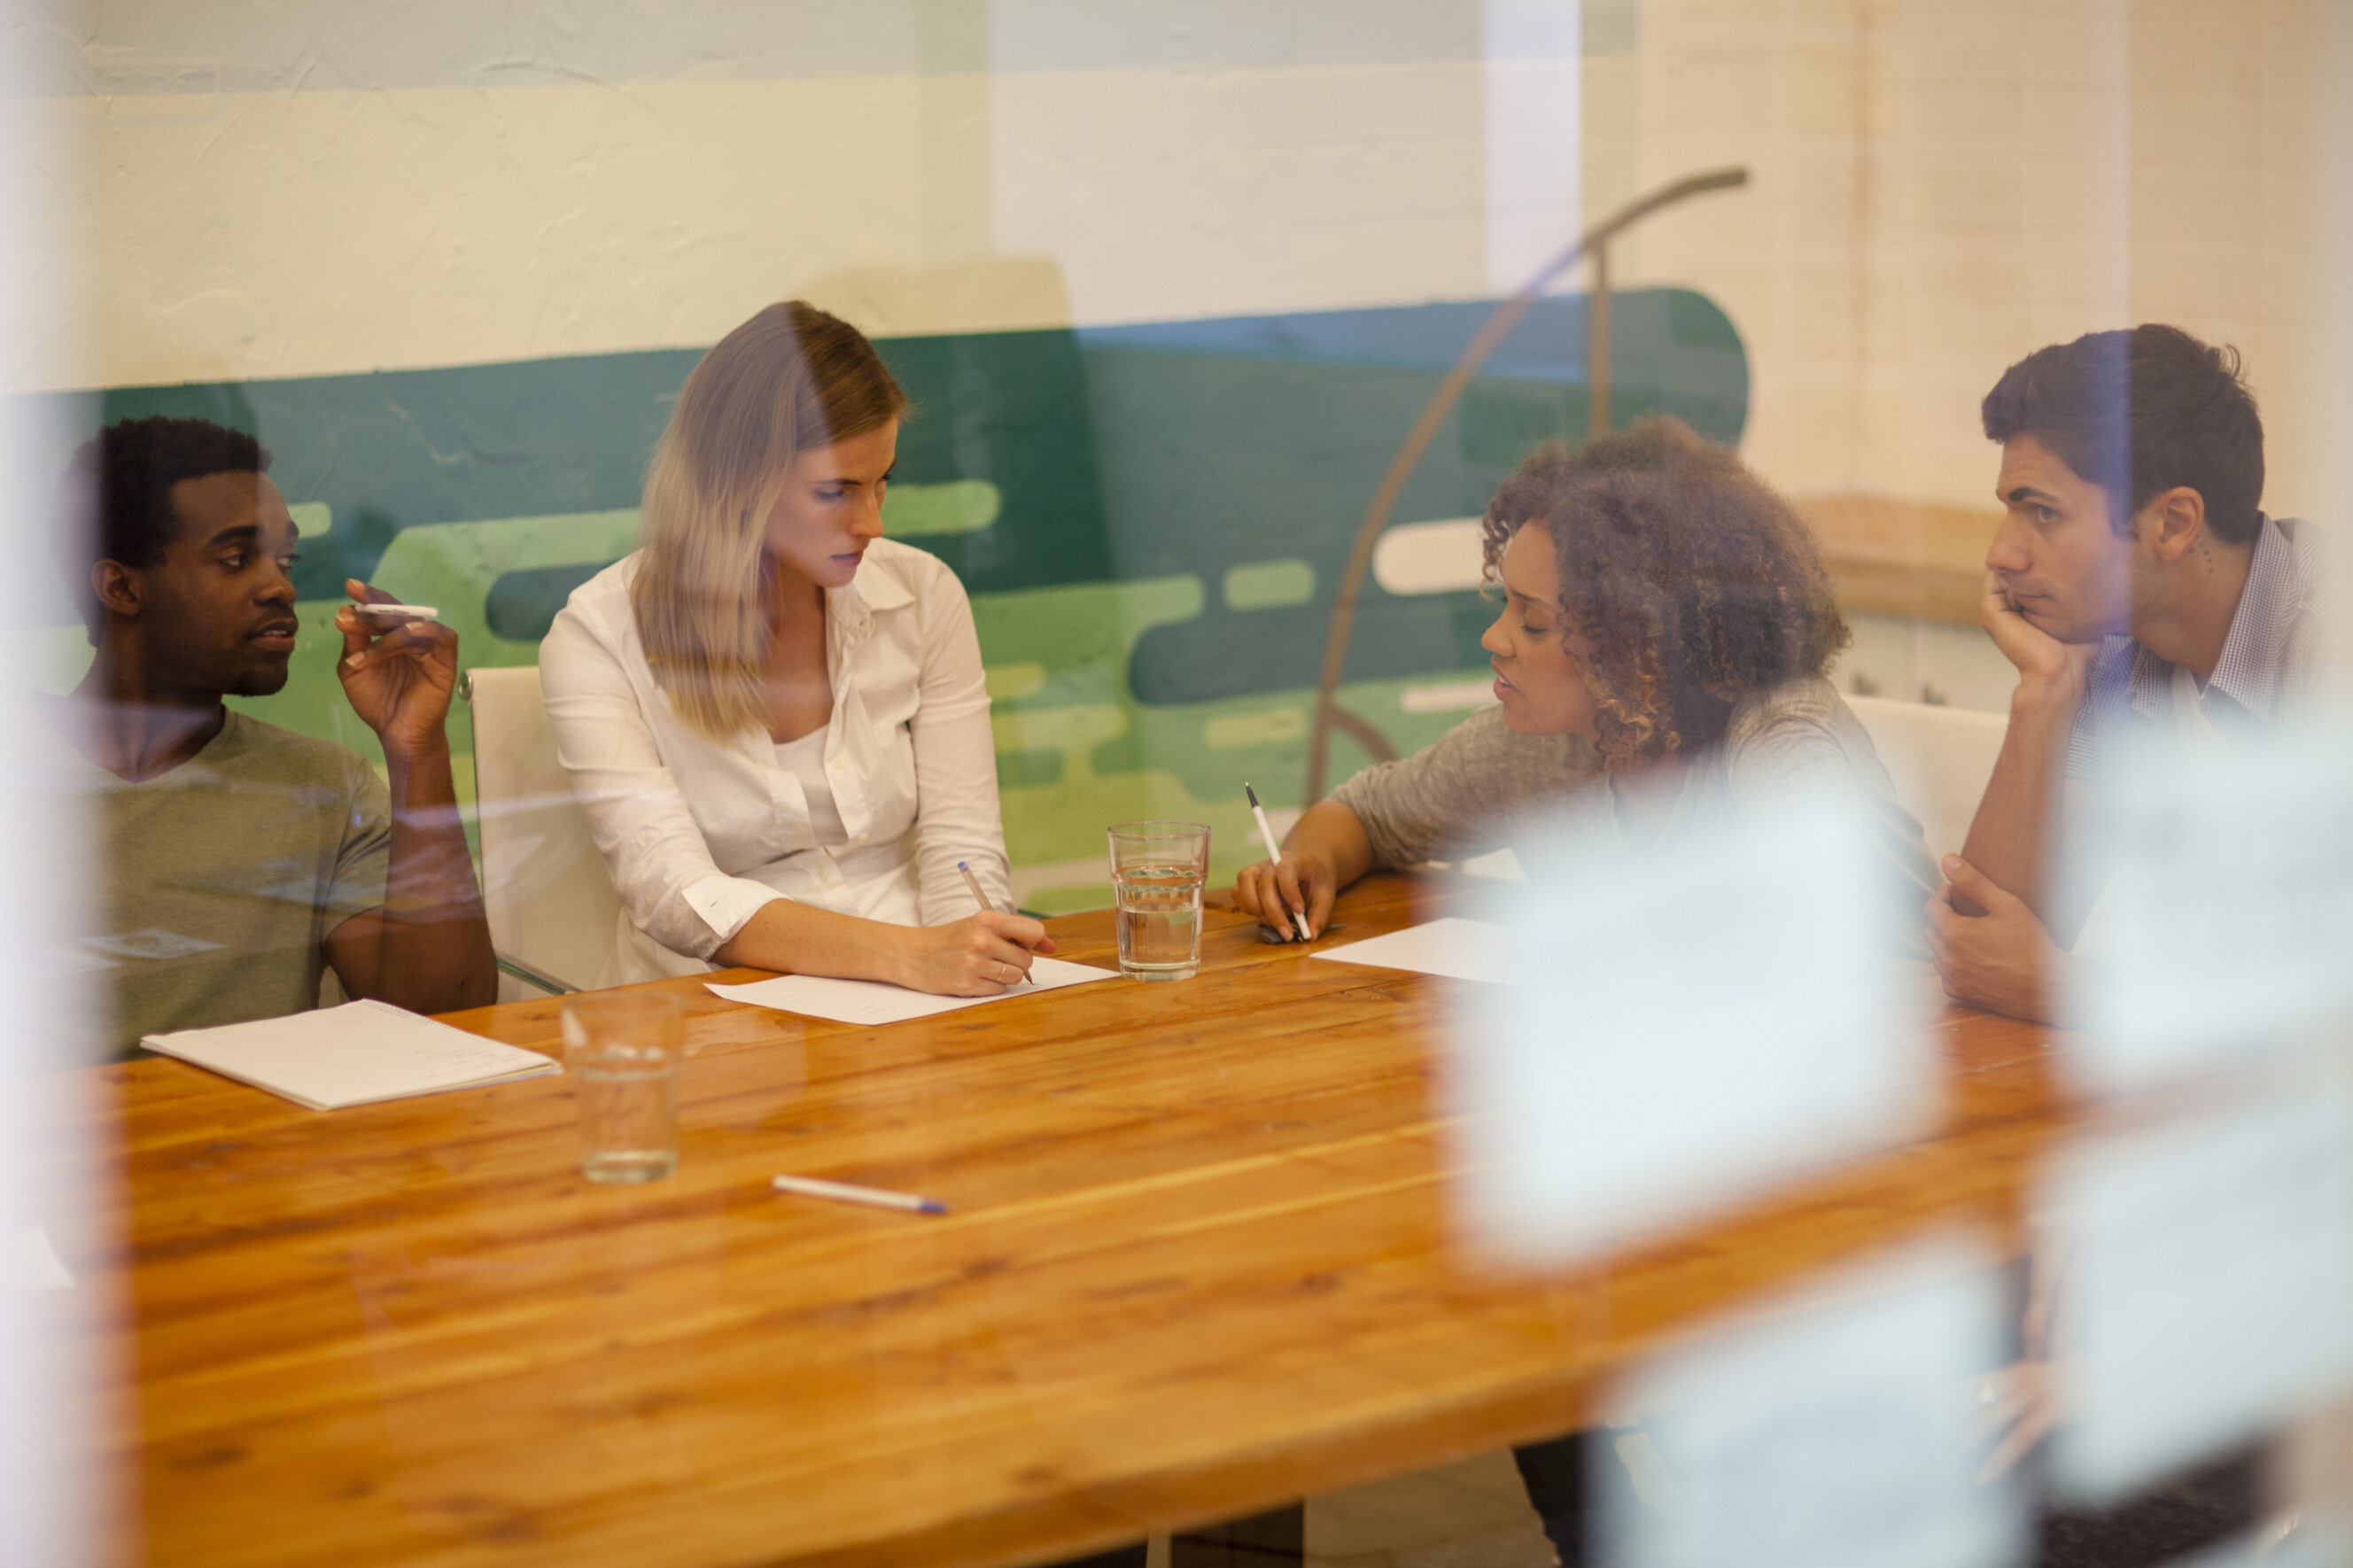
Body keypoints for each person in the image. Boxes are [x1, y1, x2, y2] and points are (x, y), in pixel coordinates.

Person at [1235, 415, 1936, 956]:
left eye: (1533, 624)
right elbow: (1364, 818)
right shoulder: (1549, 743)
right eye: (1504, 606)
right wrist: (1306, 863)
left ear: (1638, 642)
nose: (1495, 640)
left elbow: (1883, 963)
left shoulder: (1781, 748)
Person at [540, 301, 1050, 992]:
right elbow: (672, 891)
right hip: (716, 1013)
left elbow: (962, 849)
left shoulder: (925, 595)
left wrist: (972, 974)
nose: (871, 522)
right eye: (835, 491)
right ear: (737, 485)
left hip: (918, 1001)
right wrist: (909, 957)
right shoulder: (599, 635)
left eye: (882, 481)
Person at [39, 415, 495, 1060]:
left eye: (285, 559)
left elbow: (450, 1018)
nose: (281, 586)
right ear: (121, 586)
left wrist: (416, 749)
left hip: (257, 1150)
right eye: (234, 558)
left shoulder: (323, 787)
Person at [1927, 325, 2321, 1021]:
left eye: (2042, 512)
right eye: (2009, 510)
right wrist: (2044, 690)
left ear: (2173, 523)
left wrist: (2073, 990)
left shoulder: (2329, 642)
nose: (2001, 555)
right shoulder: (2116, 651)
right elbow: (1983, 945)